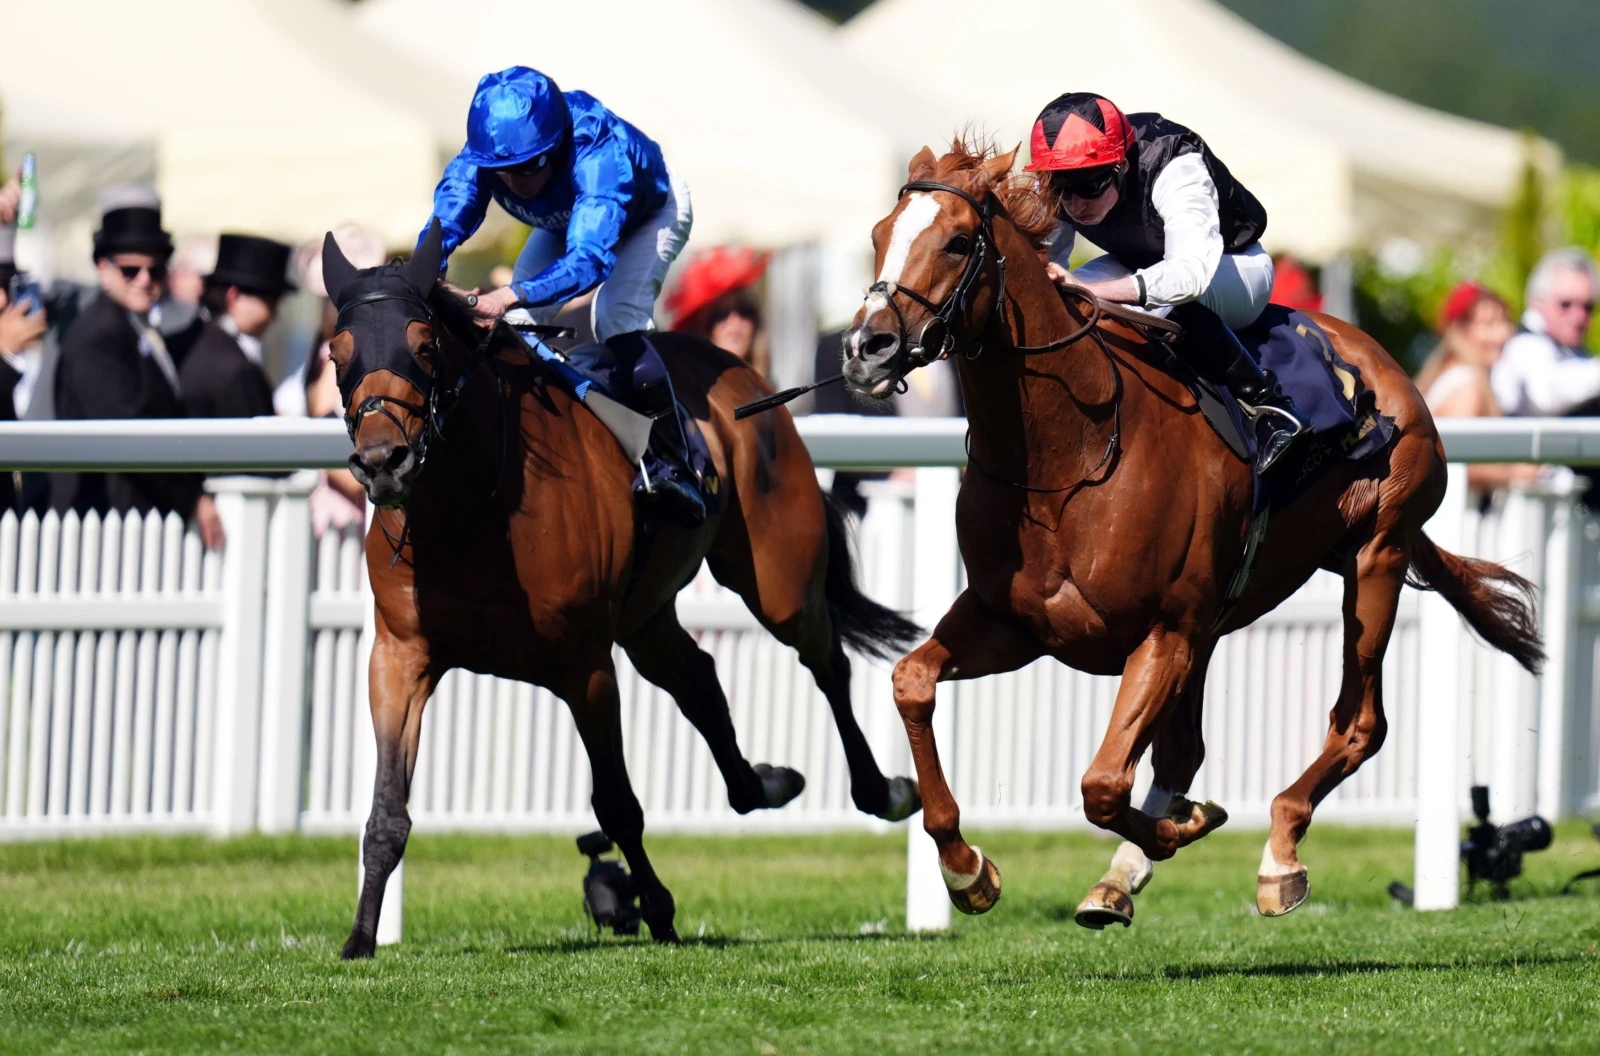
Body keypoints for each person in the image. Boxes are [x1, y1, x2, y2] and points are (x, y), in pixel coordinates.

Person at [423, 66, 702, 525]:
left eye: (530, 166)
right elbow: (448, 219)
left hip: (650, 213)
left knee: (614, 316)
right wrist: (426, 272)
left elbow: (590, 259)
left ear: (557, 145)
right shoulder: (486, 153)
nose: (515, 183)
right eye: (501, 171)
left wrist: (508, 294)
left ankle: (673, 463)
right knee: (516, 330)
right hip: (569, 215)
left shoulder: (596, 147)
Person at [1026, 92, 1305, 474]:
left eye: (1090, 186)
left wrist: (1093, 290)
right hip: (1142, 262)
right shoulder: (1056, 179)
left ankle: (1270, 409)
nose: (1075, 204)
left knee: (1165, 301)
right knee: (1062, 300)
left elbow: (1188, 276)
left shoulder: (1175, 163)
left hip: (1233, 267)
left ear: (1121, 165)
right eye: (1061, 188)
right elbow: (1044, 269)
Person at [49, 186, 222, 549]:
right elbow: (127, 433)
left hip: (131, 523)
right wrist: (193, 497)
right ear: (103, 268)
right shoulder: (98, 334)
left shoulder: (133, 325)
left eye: (154, 269)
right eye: (131, 270)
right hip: (102, 527)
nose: (144, 279)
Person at [1415, 281, 1537, 490]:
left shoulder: (1451, 374)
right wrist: (1513, 473)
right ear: (1461, 330)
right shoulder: (1465, 383)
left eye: (1505, 322)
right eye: (1489, 324)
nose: (1504, 333)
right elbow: (1455, 460)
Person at [178, 234, 293, 420]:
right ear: (234, 297)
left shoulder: (189, 342)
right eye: (270, 303)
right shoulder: (233, 368)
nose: (275, 316)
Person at [1490, 248, 1600, 417]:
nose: (1579, 316)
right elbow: (1545, 396)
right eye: (1566, 304)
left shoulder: (1570, 347)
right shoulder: (1524, 345)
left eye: (1588, 307)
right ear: (1536, 300)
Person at [666, 246, 771, 379]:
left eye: (744, 311)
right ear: (704, 326)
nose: (735, 320)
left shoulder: (769, 387)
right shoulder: (682, 386)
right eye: (721, 314)